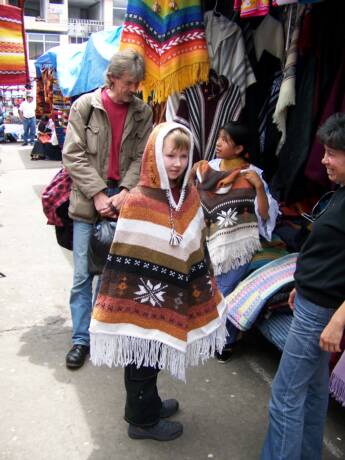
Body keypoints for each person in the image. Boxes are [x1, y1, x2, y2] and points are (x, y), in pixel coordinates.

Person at [89, 122, 226, 441]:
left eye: (183, 155)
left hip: (170, 296)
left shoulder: (187, 194)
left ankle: (149, 403)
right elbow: (128, 252)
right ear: (154, 155)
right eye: (170, 155)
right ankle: (142, 422)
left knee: (155, 355)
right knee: (140, 358)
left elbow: (193, 243)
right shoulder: (139, 199)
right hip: (137, 299)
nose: (177, 162)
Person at [261, 112, 345, 460]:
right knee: (311, 392)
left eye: (332, 153)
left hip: (321, 314)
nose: (324, 159)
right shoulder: (340, 193)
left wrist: (339, 319)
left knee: (285, 397)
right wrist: (303, 285)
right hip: (315, 303)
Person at [62, 49, 153, 370]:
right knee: (82, 274)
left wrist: (126, 192)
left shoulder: (143, 112)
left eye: (138, 83)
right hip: (89, 201)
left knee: (112, 274)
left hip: (123, 201)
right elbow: (72, 154)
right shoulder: (85, 107)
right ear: (112, 77)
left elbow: (141, 156)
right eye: (129, 82)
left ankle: (102, 333)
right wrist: (100, 195)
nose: (134, 89)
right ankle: (80, 340)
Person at [193, 121, 279, 362]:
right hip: (206, 240)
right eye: (219, 138)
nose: (218, 143)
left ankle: (227, 341)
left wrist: (259, 188)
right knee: (208, 288)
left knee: (226, 292)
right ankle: (206, 335)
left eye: (225, 140)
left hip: (237, 245)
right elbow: (197, 200)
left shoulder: (253, 174)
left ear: (240, 148)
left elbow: (264, 215)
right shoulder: (207, 168)